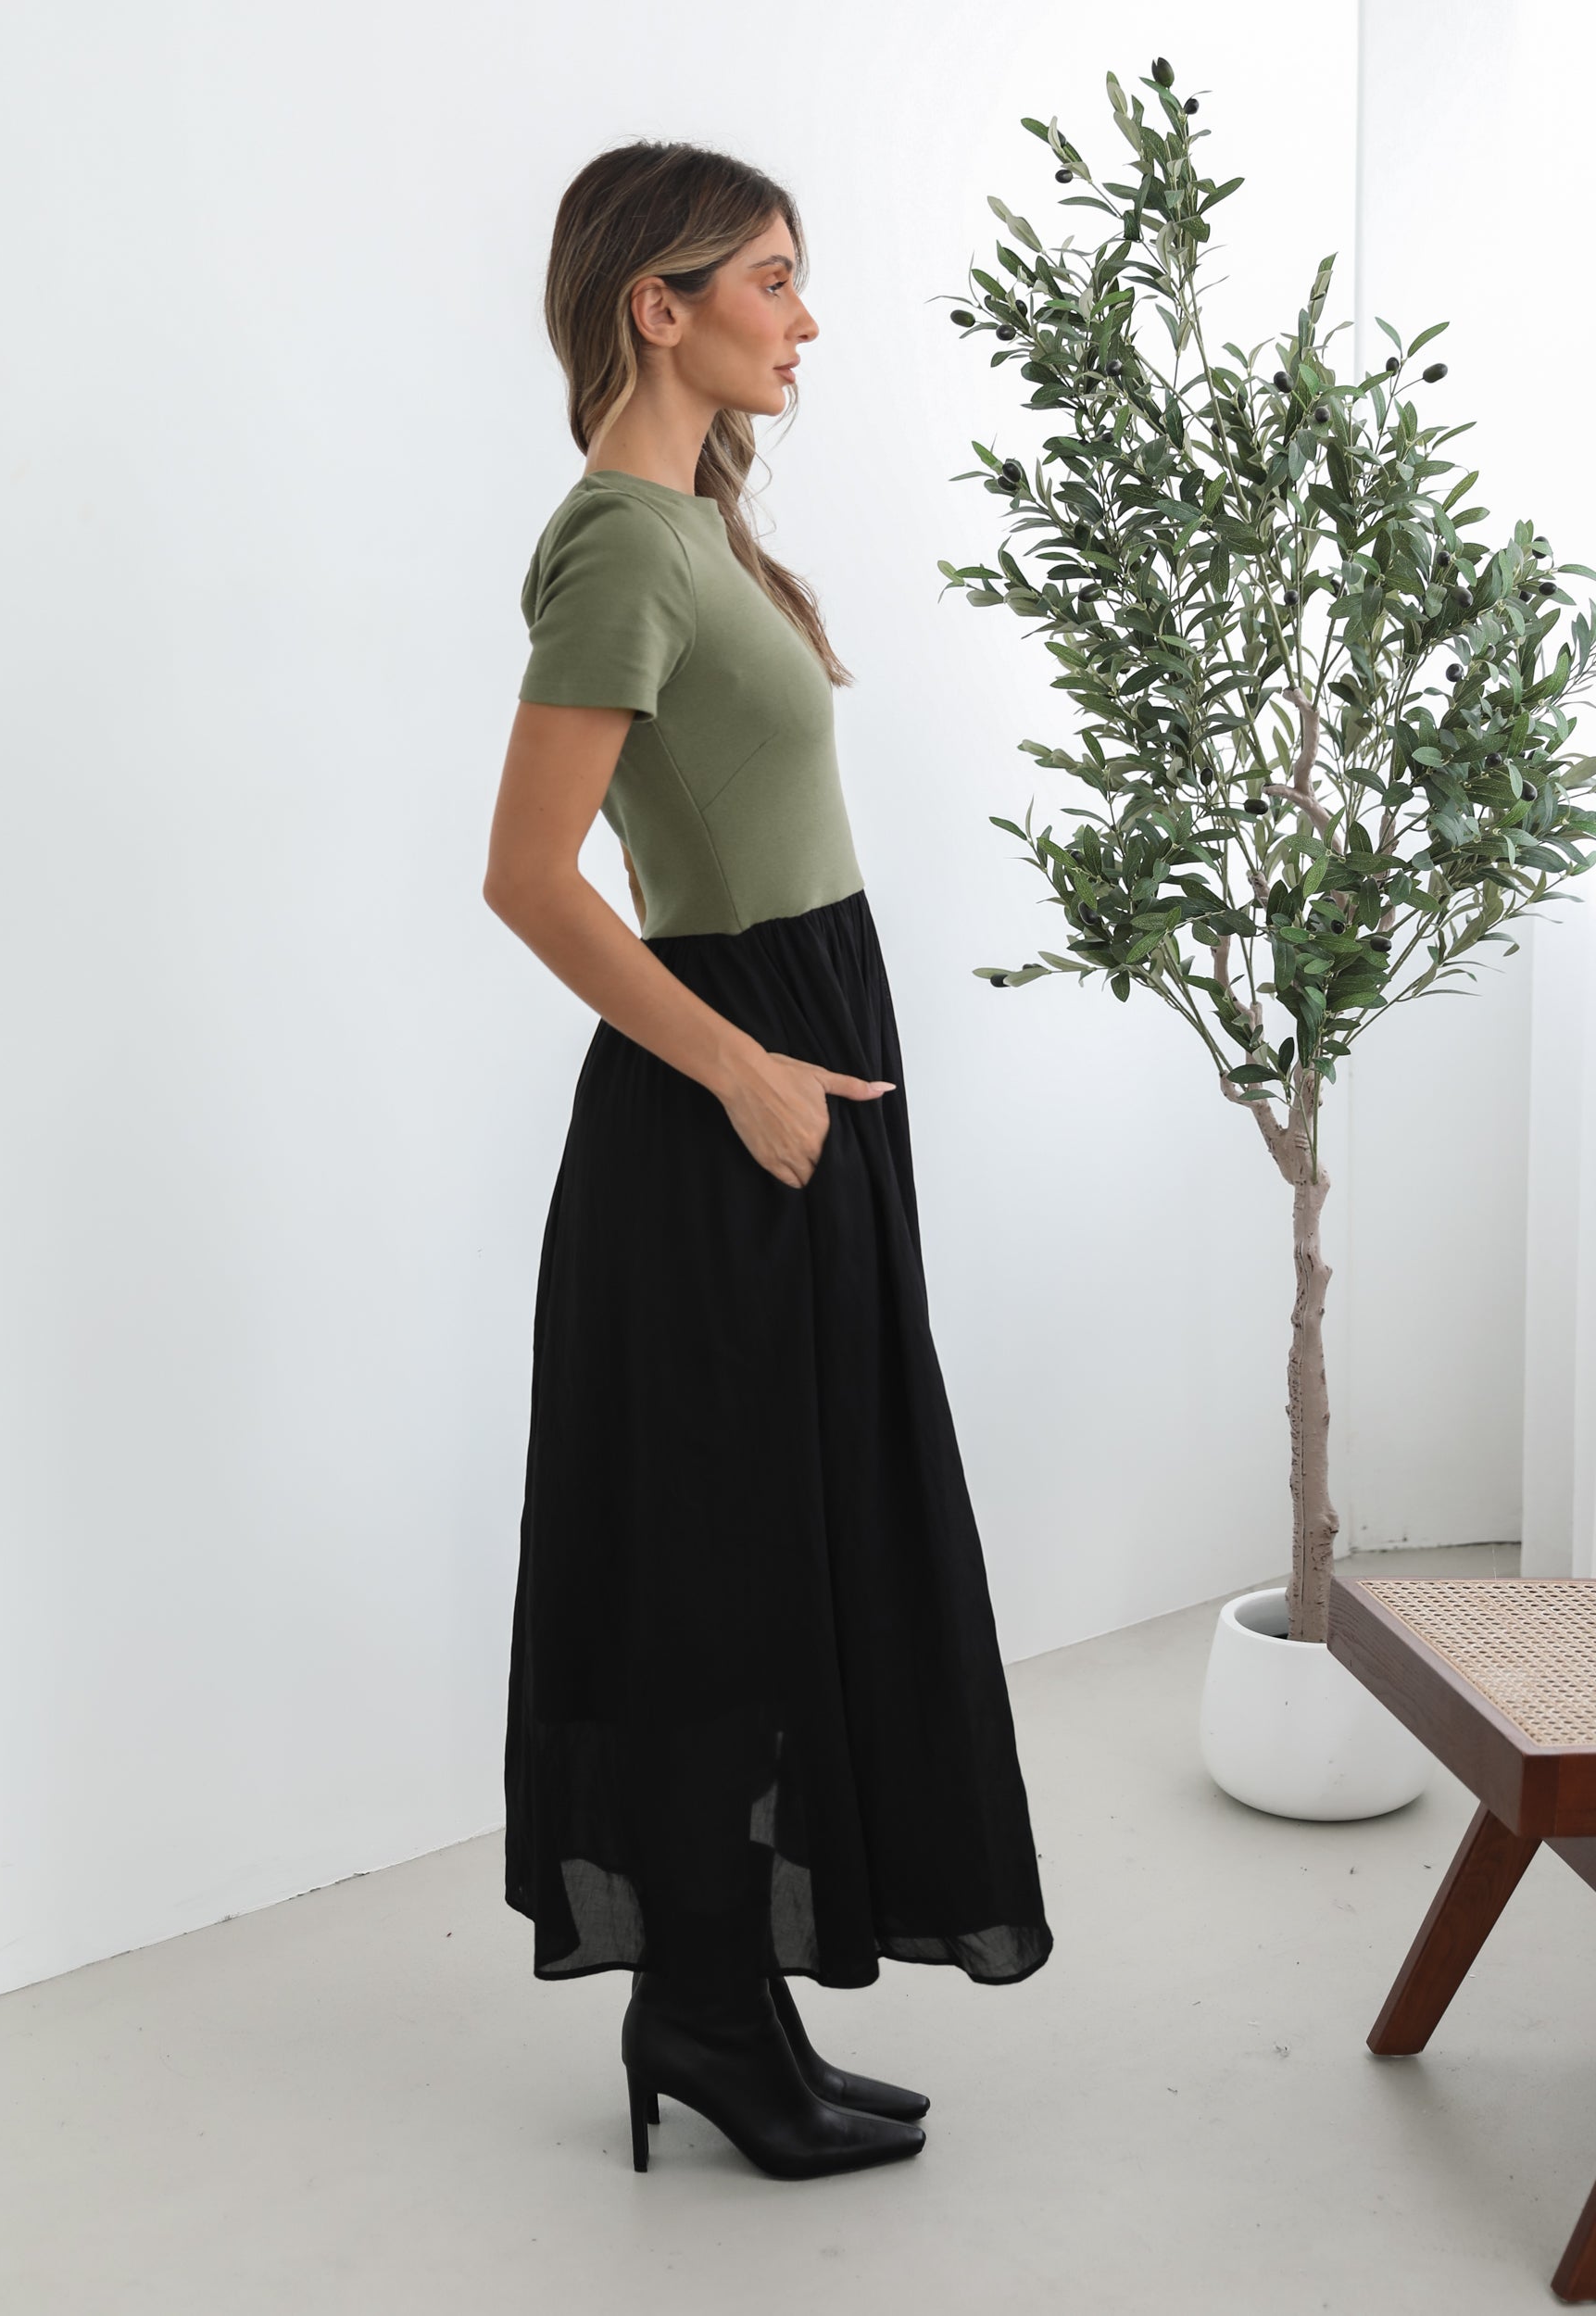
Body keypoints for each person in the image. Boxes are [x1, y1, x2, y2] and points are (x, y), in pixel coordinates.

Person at [483, 138, 1053, 2182]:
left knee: (781, 1533)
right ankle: (712, 2020)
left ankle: (728, 2001)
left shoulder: (698, 528)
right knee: (723, 1562)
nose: (804, 319)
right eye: (773, 280)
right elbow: (531, 882)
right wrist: (746, 1074)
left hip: (791, 1080)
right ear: (663, 302)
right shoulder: (623, 544)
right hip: (724, 1107)